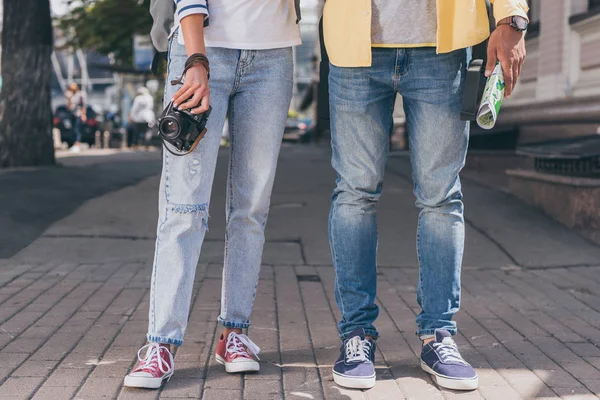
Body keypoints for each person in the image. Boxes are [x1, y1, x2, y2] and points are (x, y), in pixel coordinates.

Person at [322, 0, 528, 390]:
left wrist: (512, 16)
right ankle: (356, 335)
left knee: (441, 197)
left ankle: (439, 335)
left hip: (442, 49)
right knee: (354, 194)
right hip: (353, 45)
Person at [123, 0, 301, 389]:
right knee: (183, 207)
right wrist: (196, 57)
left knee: (251, 207)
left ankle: (233, 333)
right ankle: (161, 343)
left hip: (273, 55)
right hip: (200, 49)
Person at [65, 83, 86, 152]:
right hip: (72, 114)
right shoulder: (70, 95)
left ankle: (77, 144)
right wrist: (68, 98)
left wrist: (83, 115)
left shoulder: (80, 94)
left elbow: (83, 105)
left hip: (78, 114)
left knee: (77, 129)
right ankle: (74, 144)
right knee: (73, 130)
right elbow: (68, 107)